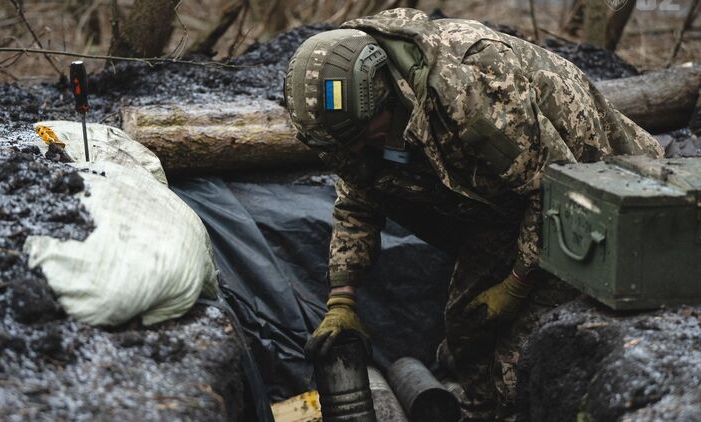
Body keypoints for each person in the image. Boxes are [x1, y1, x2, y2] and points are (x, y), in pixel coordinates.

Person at [284, 8, 663, 418]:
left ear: (386, 94)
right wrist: (342, 298)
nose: (357, 151)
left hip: (593, 201)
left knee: (518, 366)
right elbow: (356, 201)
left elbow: (551, 189)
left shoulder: (472, 85)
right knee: (467, 335)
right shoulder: (353, 129)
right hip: (500, 208)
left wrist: (516, 284)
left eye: (363, 137)